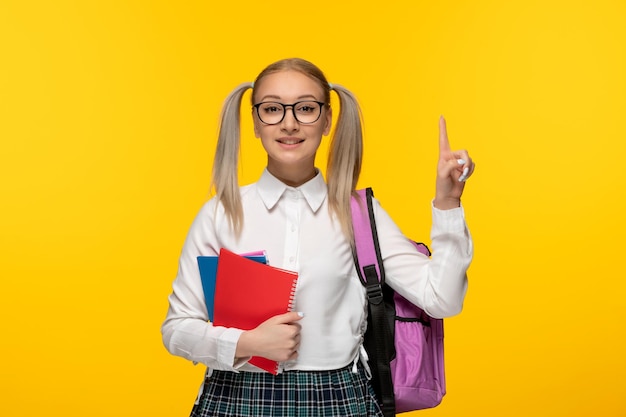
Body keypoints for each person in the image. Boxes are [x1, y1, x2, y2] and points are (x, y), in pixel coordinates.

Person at [161, 57, 475, 417]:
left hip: (338, 400)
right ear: (255, 122)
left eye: (306, 108)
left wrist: (448, 204)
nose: (290, 123)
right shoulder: (220, 213)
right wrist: (246, 342)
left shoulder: (358, 214)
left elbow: (442, 299)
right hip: (235, 397)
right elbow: (177, 329)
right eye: (273, 109)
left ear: (327, 120)